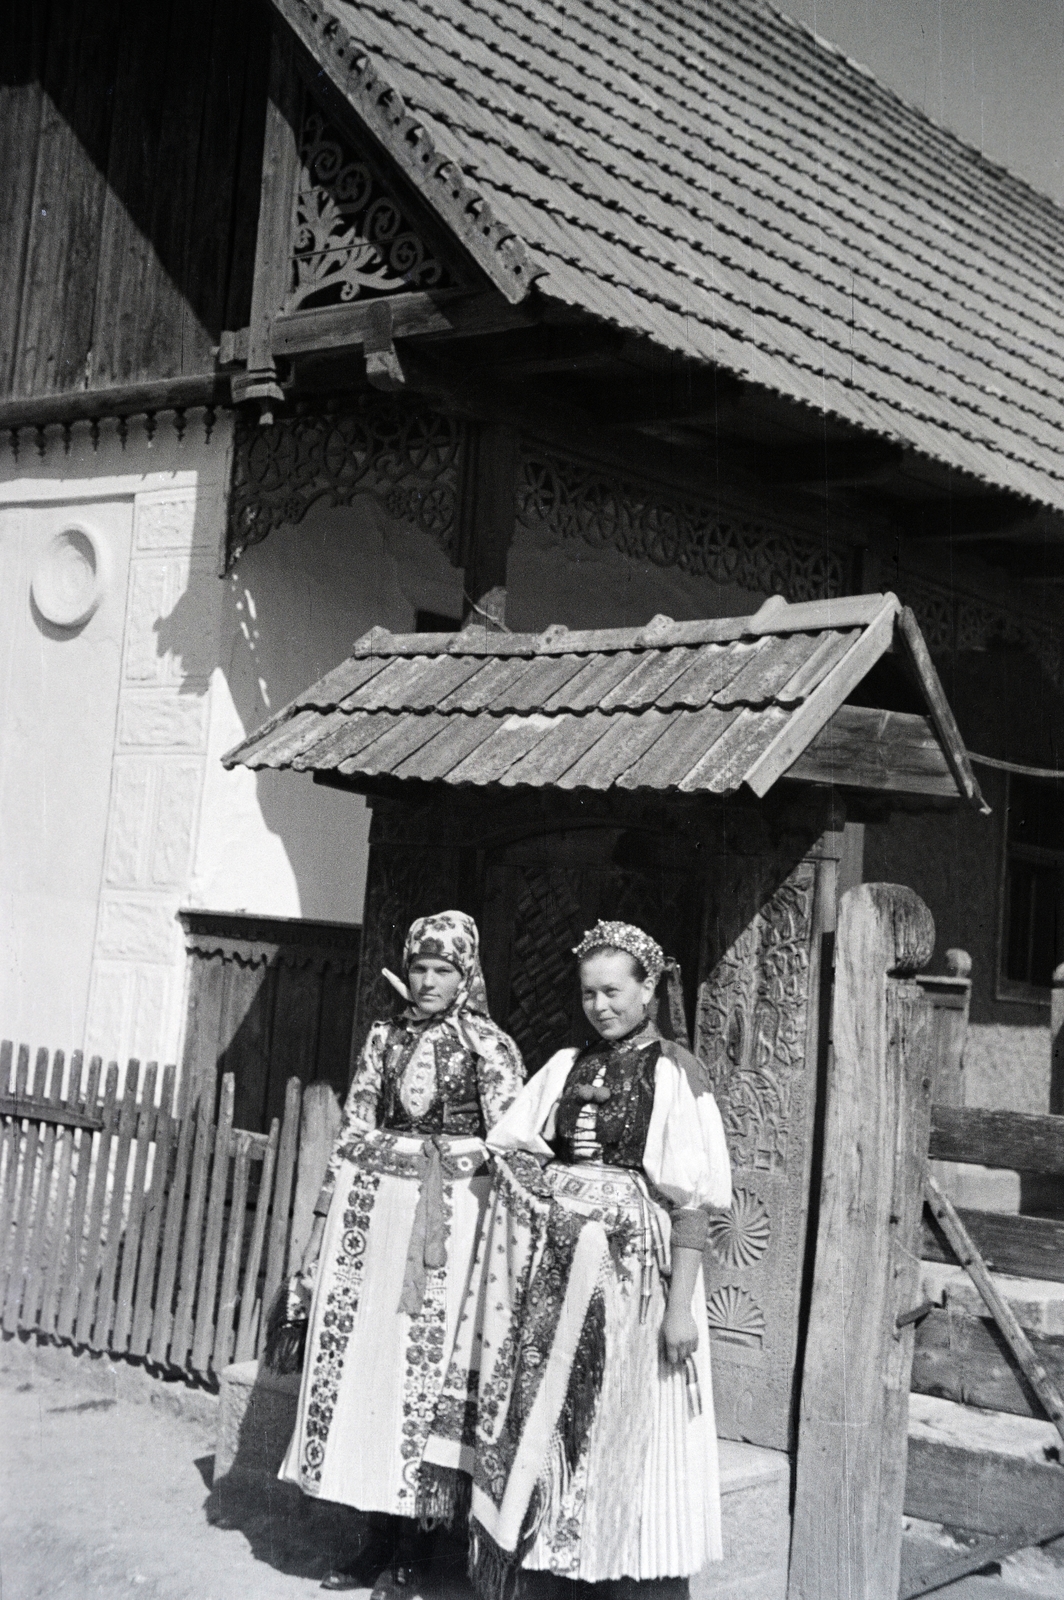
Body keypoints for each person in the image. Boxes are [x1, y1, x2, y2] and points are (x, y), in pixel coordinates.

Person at [420, 919, 732, 1598]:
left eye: (615, 991)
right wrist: (554, 1198)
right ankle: (561, 1568)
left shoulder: (675, 1075)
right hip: (558, 1282)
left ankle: (629, 1575)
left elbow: (693, 1203)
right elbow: (511, 1143)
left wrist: (680, 1311)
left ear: (649, 990)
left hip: (637, 1287)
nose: (602, 1006)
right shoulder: (567, 1066)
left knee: (630, 1435)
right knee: (557, 1426)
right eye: (590, 993)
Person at [278, 911, 525, 1597]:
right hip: (375, 1223)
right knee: (371, 1369)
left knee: (428, 1371)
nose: (427, 981)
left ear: (466, 975)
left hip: (448, 1226)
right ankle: (373, 1535)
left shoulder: (488, 1047)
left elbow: (512, 1140)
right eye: (419, 968)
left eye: (443, 970)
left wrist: (449, 1157)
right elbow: (356, 1126)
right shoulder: (383, 1039)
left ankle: (425, 1542)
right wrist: (323, 1226)